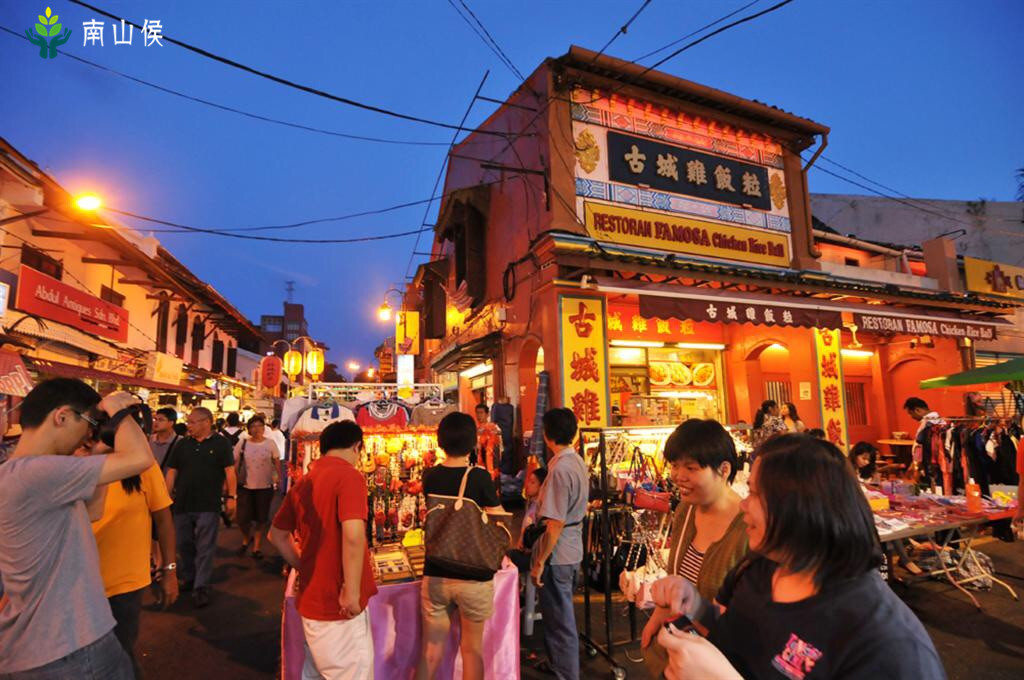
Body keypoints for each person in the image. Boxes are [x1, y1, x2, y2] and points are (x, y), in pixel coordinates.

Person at [649, 434, 946, 680]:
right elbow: (729, 629)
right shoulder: (758, 566)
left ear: (799, 507)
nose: (743, 505)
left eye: (753, 493)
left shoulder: (888, 646)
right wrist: (693, 604)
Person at [0, 380, 153, 678]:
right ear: (62, 417)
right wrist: (118, 411)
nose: (88, 433)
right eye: (90, 422)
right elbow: (140, 459)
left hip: (35, 650)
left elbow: (93, 511)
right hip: (71, 647)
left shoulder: (14, 474)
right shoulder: (38, 472)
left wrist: (100, 451)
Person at [639, 420, 749, 677]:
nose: (678, 476)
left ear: (723, 470)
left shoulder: (748, 528)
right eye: (675, 465)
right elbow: (676, 577)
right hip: (673, 657)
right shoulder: (685, 511)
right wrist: (660, 611)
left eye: (691, 467)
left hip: (716, 666)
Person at [269, 420, 376, 679]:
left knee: (316, 672)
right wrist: (350, 590)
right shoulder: (349, 475)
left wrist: (303, 566)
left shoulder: (305, 481)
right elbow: (353, 536)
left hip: (313, 598)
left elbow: (277, 536)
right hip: (337, 603)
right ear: (356, 446)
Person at [417, 412, 503, 680]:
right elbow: (498, 516)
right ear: (471, 442)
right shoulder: (478, 477)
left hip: (436, 572)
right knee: (471, 650)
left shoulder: (429, 476)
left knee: (430, 651)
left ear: (441, 440)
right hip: (474, 574)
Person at [86, 437, 179, 678]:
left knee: (119, 654)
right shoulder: (74, 463)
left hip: (123, 583)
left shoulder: (142, 467)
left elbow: (164, 520)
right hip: (77, 583)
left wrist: (169, 570)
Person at [530, 408, 589, 680]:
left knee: (560, 619)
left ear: (547, 435)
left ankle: (567, 673)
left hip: (558, 554)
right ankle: (557, 664)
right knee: (557, 615)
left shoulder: (560, 470)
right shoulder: (575, 461)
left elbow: (554, 524)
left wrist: (540, 561)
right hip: (572, 549)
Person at [165, 407, 237, 608]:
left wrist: (231, 497)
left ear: (206, 422)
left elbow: (230, 472)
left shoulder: (221, 444)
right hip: (182, 503)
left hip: (208, 503)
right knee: (183, 543)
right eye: (188, 422)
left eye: (192, 422)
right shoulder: (182, 445)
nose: (188, 425)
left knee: (205, 546)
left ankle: (201, 586)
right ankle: (190, 575)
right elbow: (172, 472)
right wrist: (165, 496)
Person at [234, 415, 279, 559]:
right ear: (249, 429)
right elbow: (235, 463)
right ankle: (246, 537)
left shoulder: (270, 443)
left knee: (261, 518)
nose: (257, 429)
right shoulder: (243, 443)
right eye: (253, 426)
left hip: (264, 486)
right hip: (245, 486)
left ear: (264, 427)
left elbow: (276, 461)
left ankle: (257, 546)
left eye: (259, 425)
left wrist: (278, 478)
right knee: (242, 519)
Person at [506, 467, 548, 572]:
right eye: (528, 481)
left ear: (542, 486)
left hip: (534, 556)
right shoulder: (532, 505)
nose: (527, 485)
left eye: (532, 482)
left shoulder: (542, 509)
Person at [474, 402, 501, 480]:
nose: (479, 415)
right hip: (478, 462)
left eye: (481, 413)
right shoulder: (475, 429)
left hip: (491, 461)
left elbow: (496, 447)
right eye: (477, 413)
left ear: (487, 414)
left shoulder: (493, 427)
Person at [150, 407, 182, 471]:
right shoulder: (149, 439)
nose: (156, 422)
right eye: (155, 419)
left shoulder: (180, 441)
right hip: (149, 478)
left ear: (171, 423)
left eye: (161, 420)